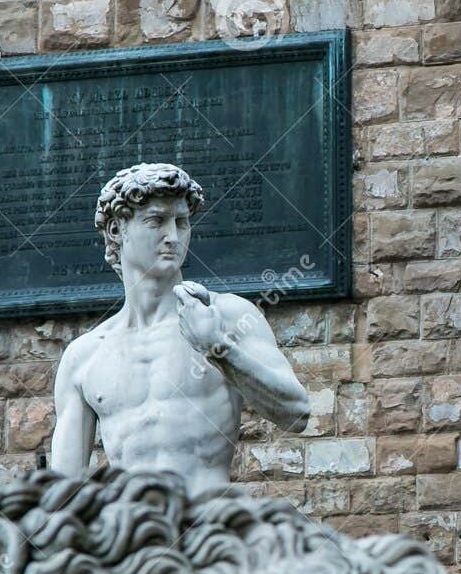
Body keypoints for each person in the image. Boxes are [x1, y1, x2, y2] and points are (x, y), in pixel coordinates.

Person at [48, 163, 310, 495]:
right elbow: (61, 493)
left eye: (181, 222)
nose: (173, 237)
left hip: (210, 532)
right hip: (133, 538)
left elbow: (297, 413)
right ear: (116, 230)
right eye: (156, 221)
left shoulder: (224, 316)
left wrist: (219, 349)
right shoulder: (84, 356)